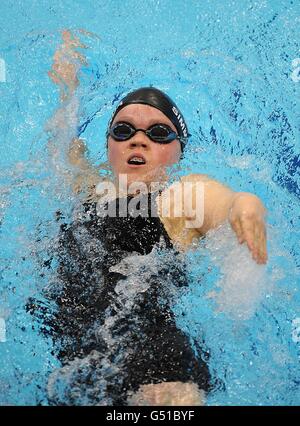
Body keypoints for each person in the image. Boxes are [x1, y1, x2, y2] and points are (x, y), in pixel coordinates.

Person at [32, 30, 267, 406]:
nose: (138, 141)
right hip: (70, 375)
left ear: (178, 153)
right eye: (123, 131)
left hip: (158, 375)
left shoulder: (178, 195)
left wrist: (244, 204)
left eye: (158, 133)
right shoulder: (87, 191)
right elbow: (60, 148)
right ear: (109, 146)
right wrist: (67, 85)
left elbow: (220, 203)